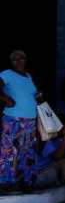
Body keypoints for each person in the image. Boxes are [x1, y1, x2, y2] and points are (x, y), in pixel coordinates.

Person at [1, 50, 43, 193]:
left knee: (27, 151)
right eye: (15, 59)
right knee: (9, 151)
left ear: (26, 59)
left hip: (30, 121)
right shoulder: (6, 74)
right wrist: (6, 99)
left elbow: (30, 94)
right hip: (13, 120)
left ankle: (26, 182)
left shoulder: (28, 76)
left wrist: (37, 95)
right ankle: (6, 183)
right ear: (11, 62)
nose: (19, 61)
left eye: (21, 58)